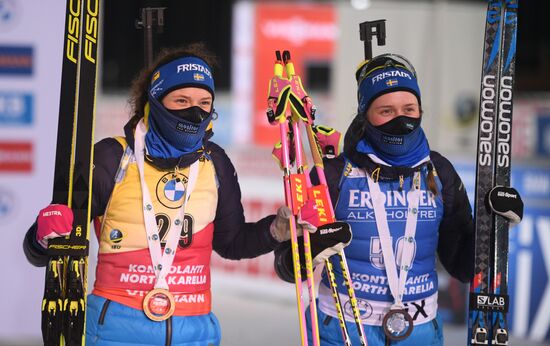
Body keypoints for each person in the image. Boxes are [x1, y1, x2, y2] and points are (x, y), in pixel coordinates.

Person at [23, 43, 308, 346]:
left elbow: (231, 242)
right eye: (181, 100)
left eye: (204, 101)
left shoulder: (215, 162)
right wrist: (43, 236)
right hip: (115, 330)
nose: (194, 111)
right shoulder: (112, 157)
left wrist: (275, 230)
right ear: (155, 101)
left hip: (195, 332)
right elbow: (45, 251)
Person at [273, 53, 524, 345]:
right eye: (386, 111)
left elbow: (462, 267)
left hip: (417, 333)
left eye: (409, 108)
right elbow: (285, 267)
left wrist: (495, 229)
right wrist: (308, 252)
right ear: (365, 114)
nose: (400, 118)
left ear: (420, 110)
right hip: (344, 331)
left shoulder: (440, 171)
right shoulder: (333, 173)